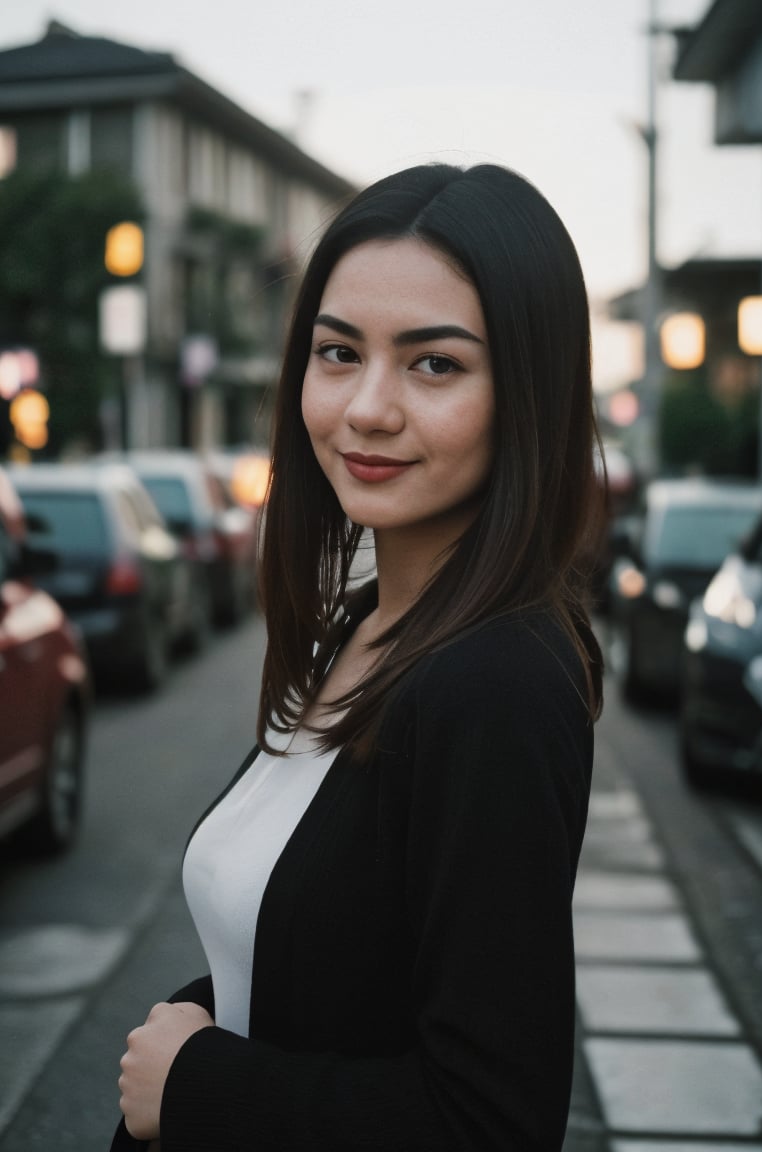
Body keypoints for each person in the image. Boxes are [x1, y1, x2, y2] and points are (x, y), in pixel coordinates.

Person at [113, 162, 604, 1152]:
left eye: (434, 365)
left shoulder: (495, 684)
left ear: (530, 394)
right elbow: (338, 954)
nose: (367, 408)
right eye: (339, 353)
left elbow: (490, 1123)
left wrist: (197, 1082)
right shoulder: (371, 621)